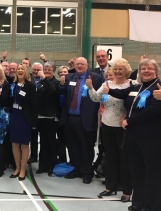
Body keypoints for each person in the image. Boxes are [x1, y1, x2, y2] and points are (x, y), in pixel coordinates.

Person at [103, 59, 161, 211]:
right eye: (143, 69)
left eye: (149, 68)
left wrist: (129, 120)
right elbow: (123, 94)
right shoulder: (138, 86)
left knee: (151, 171)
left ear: (156, 71)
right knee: (136, 170)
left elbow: (153, 110)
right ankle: (138, 202)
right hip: (133, 136)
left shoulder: (158, 87)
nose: (146, 71)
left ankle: (151, 205)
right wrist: (109, 91)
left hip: (150, 137)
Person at [87, 58, 133, 201]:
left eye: (121, 69)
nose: (118, 72)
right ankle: (110, 187)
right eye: (116, 69)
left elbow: (133, 105)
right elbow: (95, 98)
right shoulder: (107, 83)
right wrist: (90, 88)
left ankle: (126, 191)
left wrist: (126, 116)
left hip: (123, 127)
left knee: (124, 159)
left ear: (127, 71)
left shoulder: (133, 84)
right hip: (107, 125)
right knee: (110, 158)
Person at [58, 57, 102, 184]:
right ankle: (77, 169)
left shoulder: (96, 78)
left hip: (87, 119)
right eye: (78, 64)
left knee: (86, 147)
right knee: (73, 146)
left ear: (87, 65)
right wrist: (61, 84)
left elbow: (100, 96)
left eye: (82, 64)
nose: (80, 66)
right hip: (70, 119)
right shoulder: (69, 77)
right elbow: (62, 92)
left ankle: (87, 172)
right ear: (75, 66)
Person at [9, 64, 38, 181]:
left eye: (22, 69)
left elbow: (34, 105)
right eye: (18, 69)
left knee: (25, 144)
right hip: (14, 115)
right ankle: (17, 167)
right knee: (15, 144)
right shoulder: (13, 84)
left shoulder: (30, 86)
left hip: (25, 117)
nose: (20, 70)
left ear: (26, 72)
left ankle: (22, 169)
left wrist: (34, 123)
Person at [35, 62, 59, 176]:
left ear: (53, 71)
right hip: (40, 116)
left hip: (51, 117)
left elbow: (52, 92)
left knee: (51, 143)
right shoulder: (40, 83)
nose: (47, 71)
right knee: (43, 143)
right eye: (45, 69)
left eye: (49, 70)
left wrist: (44, 78)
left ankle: (51, 166)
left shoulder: (56, 83)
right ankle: (43, 165)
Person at [28, 62, 43, 164]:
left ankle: (43, 156)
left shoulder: (45, 79)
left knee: (43, 137)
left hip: (43, 113)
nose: (36, 71)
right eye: (34, 69)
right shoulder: (28, 78)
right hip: (31, 113)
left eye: (38, 69)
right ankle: (33, 156)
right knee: (33, 136)